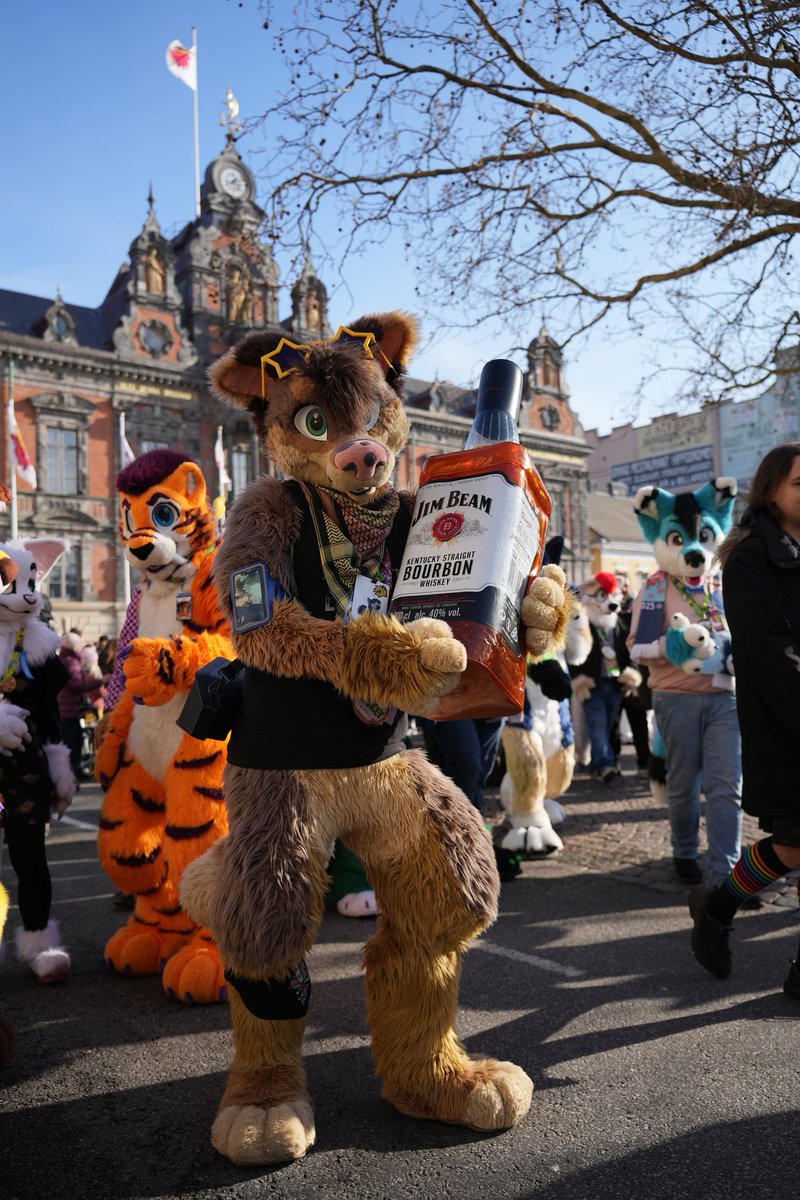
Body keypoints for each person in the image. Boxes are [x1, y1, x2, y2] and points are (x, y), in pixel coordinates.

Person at [688, 444, 800, 996]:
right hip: (786, 720)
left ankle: (719, 902)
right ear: (772, 491)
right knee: (796, 842)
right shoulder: (753, 555)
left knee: (799, 844)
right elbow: (770, 651)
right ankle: (720, 902)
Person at [57, 632, 103, 780]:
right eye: (79, 644)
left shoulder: (65, 659)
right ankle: (73, 772)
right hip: (70, 709)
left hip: (67, 707)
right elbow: (76, 684)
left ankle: (73, 771)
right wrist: (98, 682)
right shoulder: (71, 661)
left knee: (71, 742)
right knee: (72, 743)